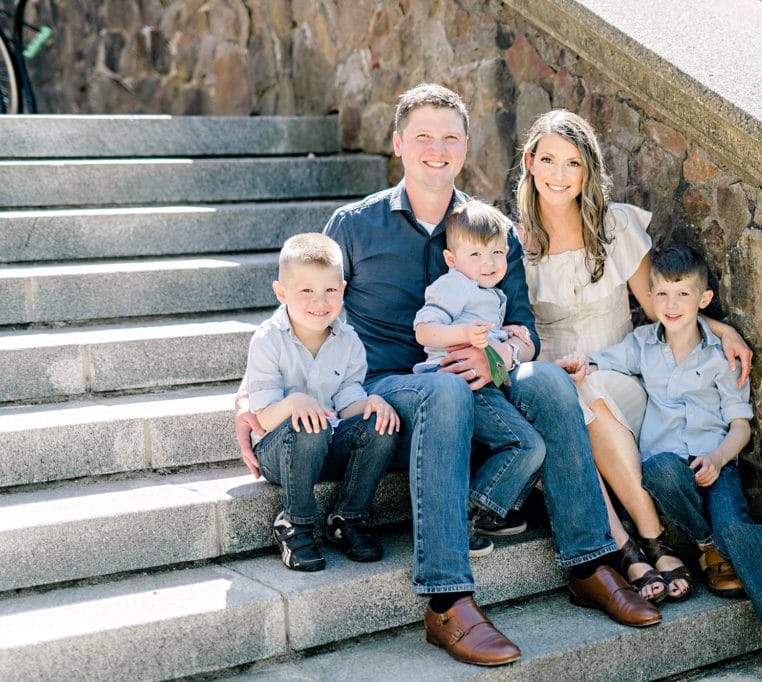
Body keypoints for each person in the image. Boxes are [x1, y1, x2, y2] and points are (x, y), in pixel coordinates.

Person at [236, 83, 659, 668]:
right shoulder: (355, 225)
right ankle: (447, 598)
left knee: (550, 382)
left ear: (465, 148)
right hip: (389, 387)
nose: (437, 149)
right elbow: (300, 301)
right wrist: (248, 397)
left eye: (450, 138)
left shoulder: (488, 228)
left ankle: (590, 563)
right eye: (423, 137)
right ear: (399, 145)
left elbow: (524, 326)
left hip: (480, 379)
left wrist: (502, 357)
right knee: (440, 389)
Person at [564, 246, 762, 682]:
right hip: (670, 474)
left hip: (717, 464)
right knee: (656, 469)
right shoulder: (642, 344)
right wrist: (580, 367)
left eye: (682, 294)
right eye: (661, 294)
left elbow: (741, 427)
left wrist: (716, 457)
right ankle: (708, 544)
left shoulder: (721, 356)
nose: (671, 305)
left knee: (736, 528)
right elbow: (600, 362)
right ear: (651, 298)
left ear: (704, 299)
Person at [515, 110, 753, 603]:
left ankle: (644, 534)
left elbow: (660, 308)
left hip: (621, 380)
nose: (560, 176)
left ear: (588, 172)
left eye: (573, 164)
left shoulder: (615, 225)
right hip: (553, 379)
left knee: (589, 393)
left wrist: (720, 327)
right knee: (566, 403)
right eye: (550, 161)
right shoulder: (515, 246)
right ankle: (637, 545)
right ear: (530, 163)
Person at [244, 233, 400, 571]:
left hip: (328, 443)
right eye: (306, 291)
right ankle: (296, 525)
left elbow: (348, 403)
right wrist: (294, 402)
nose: (320, 301)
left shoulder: (348, 341)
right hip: (279, 451)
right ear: (281, 293)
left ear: (342, 289)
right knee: (306, 428)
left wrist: (372, 404)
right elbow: (265, 418)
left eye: (330, 290)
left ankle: (348, 517)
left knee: (380, 426)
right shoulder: (268, 341)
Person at [413, 199, 544, 557]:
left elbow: (489, 335)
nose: (489, 263)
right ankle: (467, 513)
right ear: (452, 260)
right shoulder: (454, 285)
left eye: (498, 253)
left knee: (531, 442)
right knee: (525, 445)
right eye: (476, 255)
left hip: (483, 382)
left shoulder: (488, 292)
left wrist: (506, 335)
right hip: (458, 380)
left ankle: (489, 512)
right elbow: (424, 330)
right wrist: (465, 334)